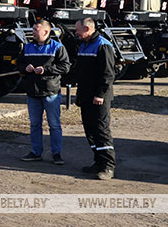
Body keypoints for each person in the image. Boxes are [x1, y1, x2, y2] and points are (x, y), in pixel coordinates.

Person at [18, 20, 70, 165]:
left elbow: (65, 67)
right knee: (35, 124)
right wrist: (24, 68)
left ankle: (57, 154)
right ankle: (36, 152)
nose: (33, 32)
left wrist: (45, 70)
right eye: (33, 29)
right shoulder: (27, 47)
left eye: (36, 30)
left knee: (54, 125)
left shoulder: (57, 47)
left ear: (46, 32)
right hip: (32, 93)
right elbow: (19, 63)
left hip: (50, 92)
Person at [74, 17, 116, 180]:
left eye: (77, 30)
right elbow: (82, 74)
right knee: (90, 130)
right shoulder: (84, 44)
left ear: (86, 29)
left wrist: (100, 94)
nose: (76, 33)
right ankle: (98, 162)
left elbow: (107, 74)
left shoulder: (103, 44)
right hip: (86, 96)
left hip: (99, 98)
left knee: (101, 130)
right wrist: (79, 95)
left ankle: (108, 166)